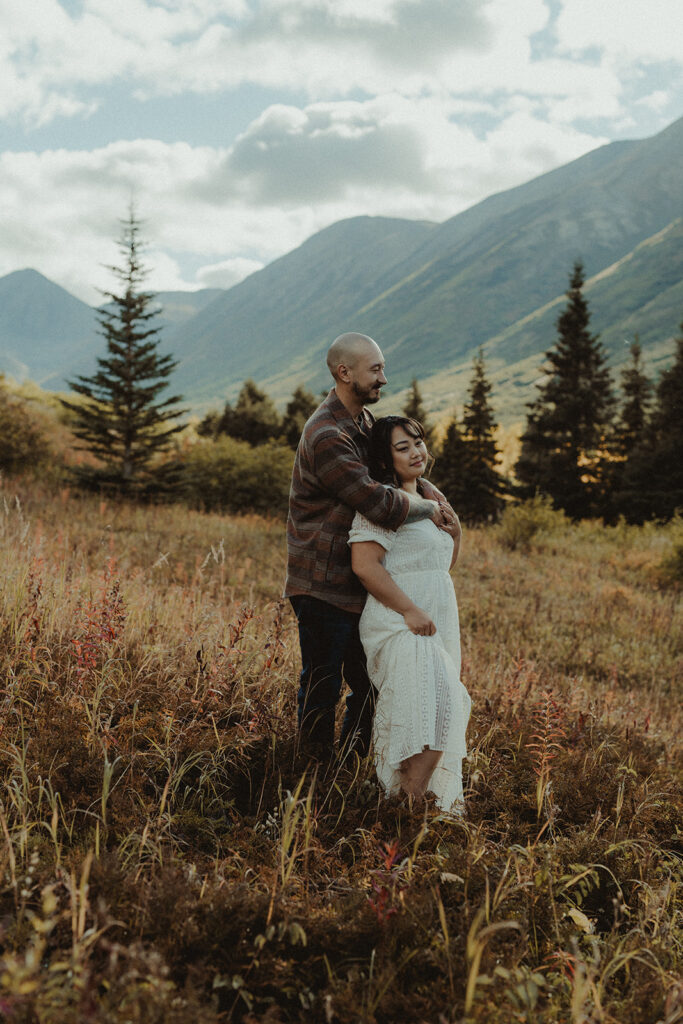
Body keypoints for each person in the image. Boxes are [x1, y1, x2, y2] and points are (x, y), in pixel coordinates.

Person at [284, 332, 457, 761]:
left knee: (371, 682)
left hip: (362, 581)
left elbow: (391, 469)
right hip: (324, 582)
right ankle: (312, 775)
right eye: (375, 369)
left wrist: (433, 496)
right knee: (324, 683)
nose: (384, 378)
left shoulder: (361, 422)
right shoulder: (326, 433)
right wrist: (428, 510)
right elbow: (375, 499)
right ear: (345, 373)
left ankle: (356, 765)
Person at [349, 415, 471, 810]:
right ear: (386, 458)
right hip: (399, 619)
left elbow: (437, 568)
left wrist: (457, 534)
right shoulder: (384, 502)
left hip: (435, 617)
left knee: (431, 709)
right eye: (402, 447)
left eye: (417, 442)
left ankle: (407, 803)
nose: (415, 451)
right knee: (438, 705)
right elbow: (365, 565)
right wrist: (410, 610)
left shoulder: (431, 497)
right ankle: (408, 801)